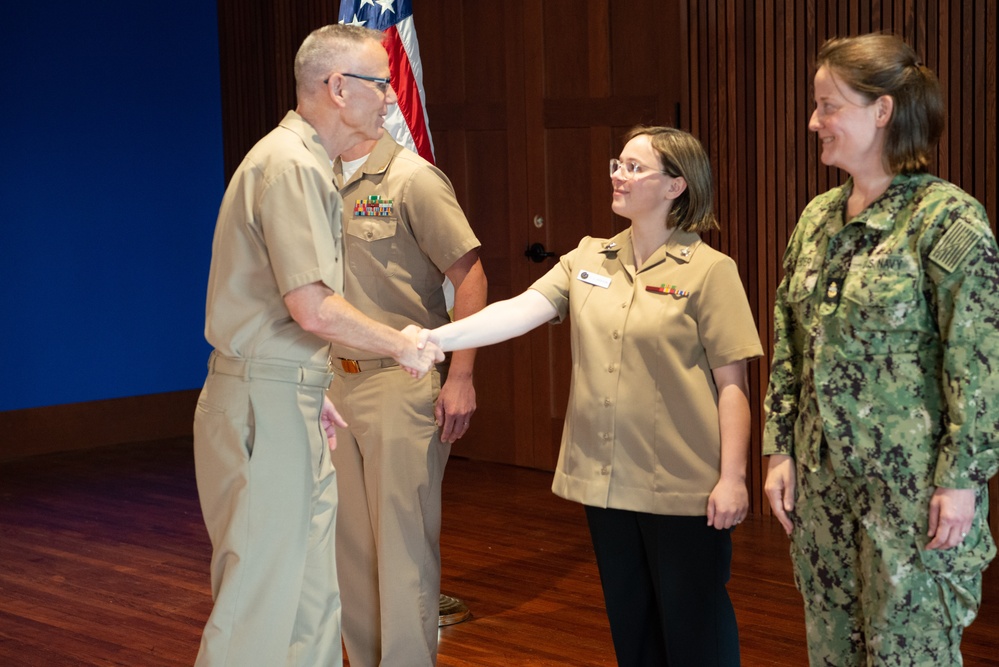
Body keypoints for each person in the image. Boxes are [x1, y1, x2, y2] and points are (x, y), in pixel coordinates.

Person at [428, 125, 763, 666]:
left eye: (634, 168)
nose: (618, 175)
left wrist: (733, 478)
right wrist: (433, 340)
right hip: (606, 481)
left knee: (695, 630)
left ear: (676, 186)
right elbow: (516, 312)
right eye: (617, 164)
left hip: (684, 486)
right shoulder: (587, 258)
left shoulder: (709, 270)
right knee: (632, 629)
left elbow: (733, 387)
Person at [192, 24, 443, 667]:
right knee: (258, 603)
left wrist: (309, 384)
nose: (390, 99)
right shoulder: (291, 165)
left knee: (310, 602)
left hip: (289, 393)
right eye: (381, 83)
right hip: (263, 401)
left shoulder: (307, 163)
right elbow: (311, 307)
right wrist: (403, 344)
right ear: (338, 88)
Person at [762, 32, 999, 666]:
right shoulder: (817, 218)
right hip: (823, 488)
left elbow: (977, 365)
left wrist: (963, 480)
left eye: (828, 105)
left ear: (883, 110)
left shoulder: (947, 221)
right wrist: (777, 448)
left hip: (912, 492)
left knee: (909, 654)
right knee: (833, 651)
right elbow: (788, 341)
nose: (815, 121)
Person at [328, 131, 487, 665]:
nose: (381, 96)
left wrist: (461, 374)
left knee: (402, 549)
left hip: (400, 380)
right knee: (349, 547)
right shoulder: (313, 174)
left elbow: (470, 278)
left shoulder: (412, 178)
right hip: (333, 382)